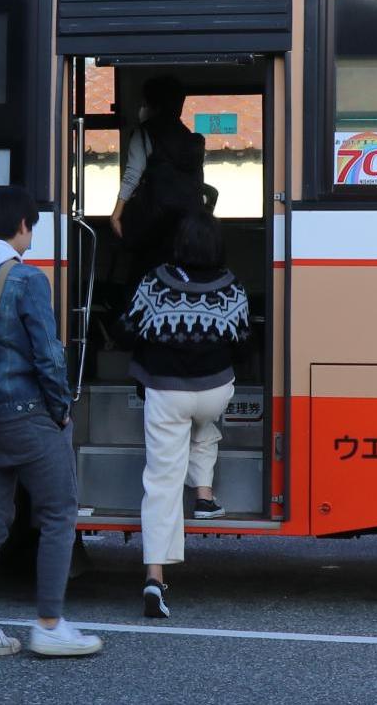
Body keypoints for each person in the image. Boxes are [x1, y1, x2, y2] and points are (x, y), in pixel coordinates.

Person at [0, 186, 104, 659]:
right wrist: (61, 410)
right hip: (27, 416)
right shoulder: (26, 280)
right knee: (58, 514)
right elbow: (48, 356)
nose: (31, 233)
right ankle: (50, 624)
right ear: (21, 226)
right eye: (30, 225)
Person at [122, 210, 249, 619]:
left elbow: (131, 327)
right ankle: (205, 496)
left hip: (166, 392)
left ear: (179, 244)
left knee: (161, 481)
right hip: (214, 390)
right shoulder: (232, 287)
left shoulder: (155, 282)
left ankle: (155, 578)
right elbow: (243, 339)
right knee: (206, 425)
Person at [109, 75, 207, 275]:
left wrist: (116, 214)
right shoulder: (192, 140)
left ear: (155, 105)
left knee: (145, 274)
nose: (142, 107)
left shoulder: (144, 134)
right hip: (188, 224)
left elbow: (132, 175)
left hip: (153, 223)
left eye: (145, 102)